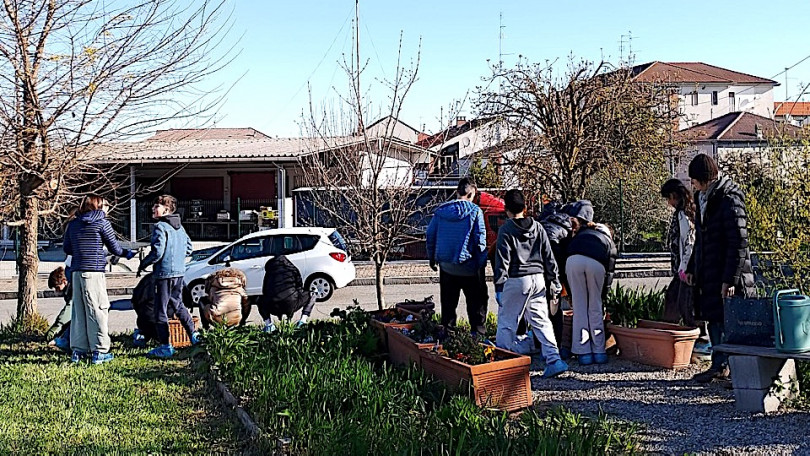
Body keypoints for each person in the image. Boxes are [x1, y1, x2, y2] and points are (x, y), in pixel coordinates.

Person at [685, 154, 754, 384]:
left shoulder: (729, 199)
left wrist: (731, 279)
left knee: (732, 322)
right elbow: (701, 238)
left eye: (694, 180)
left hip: (727, 271)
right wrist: (694, 267)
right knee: (713, 318)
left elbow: (738, 241)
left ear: (704, 179)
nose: (692, 185)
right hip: (710, 270)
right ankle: (718, 364)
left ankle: (736, 368)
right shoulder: (702, 197)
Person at [494, 189, 568, 378]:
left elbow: (502, 260)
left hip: (516, 279)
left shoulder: (506, 230)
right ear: (525, 207)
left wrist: (499, 286)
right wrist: (554, 280)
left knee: (507, 322)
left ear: (506, 209)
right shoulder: (538, 227)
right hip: (538, 279)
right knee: (541, 321)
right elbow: (548, 257)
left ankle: (502, 364)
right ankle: (554, 359)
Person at [63, 194, 135, 364]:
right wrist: (127, 253)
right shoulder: (102, 222)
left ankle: (78, 351)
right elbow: (115, 248)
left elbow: (67, 248)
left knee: (79, 312)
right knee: (98, 310)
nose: (108, 208)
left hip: (76, 271)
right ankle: (100, 351)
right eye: (106, 205)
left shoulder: (73, 224)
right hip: (94, 272)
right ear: (99, 206)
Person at [426, 177, 488, 336]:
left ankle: (448, 336)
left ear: (456, 192)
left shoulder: (440, 211)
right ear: (472, 193)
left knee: (448, 305)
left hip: (446, 266)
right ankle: (477, 336)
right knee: (477, 304)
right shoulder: (475, 212)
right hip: (469, 267)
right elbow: (480, 240)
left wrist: (432, 257)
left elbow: (430, 235)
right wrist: (480, 265)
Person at [138, 194, 198, 358]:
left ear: (166, 209)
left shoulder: (160, 227)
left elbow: (157, 252)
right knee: (178, 305)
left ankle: (165, 346)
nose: (153, 208)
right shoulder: (180, 227)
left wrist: (143, 263)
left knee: (160, 311)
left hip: (163, 274)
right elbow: (189, 249)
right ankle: (194, 336)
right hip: (179, 272)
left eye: (157, 206)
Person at [565, 201, 617, 365]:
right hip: (597, 263)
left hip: (573, 260)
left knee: (579, 308)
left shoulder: (579, 234)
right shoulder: (607, 241)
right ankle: (599, 352)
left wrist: (570, 293)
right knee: (595, 306)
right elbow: (609, 272)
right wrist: (603, 294)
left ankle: (583, 353)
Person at [538, 205, 575, 356]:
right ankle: (557, 345)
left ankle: (540, 344)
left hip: (537, 270)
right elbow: (563, 258)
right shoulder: (566, 231)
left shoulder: (541, 225)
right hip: (554, 272)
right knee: (555, 309)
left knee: (540, 310)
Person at [660, 179, 696, 327]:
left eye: (669, 198)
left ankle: (677, 331)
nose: (669, 202)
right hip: (682, 267)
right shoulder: (687, 211)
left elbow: (689, 242)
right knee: (677, 300)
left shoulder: (682, 215)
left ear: (674, 195)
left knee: (682, 303)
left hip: (684, 269)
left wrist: (683, 268)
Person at [258, 255, 316, 332]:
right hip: (291, 304)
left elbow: (265, 291)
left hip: (273, 306)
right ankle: (303, 321)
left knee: (259, 299)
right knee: (313, 294)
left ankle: (269, 325)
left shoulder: (269, 272)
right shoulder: (293, 269)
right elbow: (300, 287)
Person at [45, 266, 72, 351]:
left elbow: (68, 311)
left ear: (64, 282)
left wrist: (54, 329)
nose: (56, 291)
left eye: (57, 287)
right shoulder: (68, 289)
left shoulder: (72, 289)